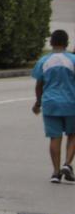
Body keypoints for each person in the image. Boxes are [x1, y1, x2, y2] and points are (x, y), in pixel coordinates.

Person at [33, 29, 75, 183]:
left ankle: (56, 173)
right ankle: (67, 164)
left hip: (50, 104)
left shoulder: (44, 61)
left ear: (50, 43)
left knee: (54, 137)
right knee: (73, 134)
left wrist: (38, 103)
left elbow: (39, 85)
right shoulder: (73, 59)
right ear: (66, 43)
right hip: (71, 103)